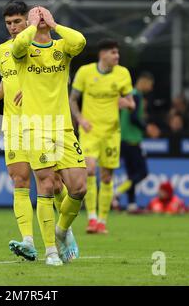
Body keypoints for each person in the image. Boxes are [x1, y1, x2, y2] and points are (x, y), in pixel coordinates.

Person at [0, 1, 77, 262]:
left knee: (54, 183)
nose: (12, 27)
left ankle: (64, 231)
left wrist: (34, 87)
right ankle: (28, 241)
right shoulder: (3, 49)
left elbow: (54, 76)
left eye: (17, 22)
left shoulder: (43, 48)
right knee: (19, 180)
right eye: (8, 23)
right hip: (14, 124)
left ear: (29, 21)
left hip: (44, 121)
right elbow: (8, 75)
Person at [11, 6, 87, 265]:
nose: (40, 18)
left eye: (43, 15)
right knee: (45, 185)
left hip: (63, 128)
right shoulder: (23, 50)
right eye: (35, 15)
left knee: (78, 188)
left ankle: (61, 230)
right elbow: (19, 44)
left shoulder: (61, 48)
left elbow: (80, 41)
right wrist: (32, 25)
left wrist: (54, 25)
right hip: (35, 128)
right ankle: (51, 251)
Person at [69, 38, 135, 234]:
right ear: (103, 54)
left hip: (111, 132)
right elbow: (73, 99)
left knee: (106, 176)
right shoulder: (85, 72)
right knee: (89, 169)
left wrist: (128, 104)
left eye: (117, 53)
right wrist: (80, 119)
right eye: (113, 53)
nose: (117, 56)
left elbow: (132, 103)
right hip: (90, 131)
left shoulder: (123, 74)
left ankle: (102, 221)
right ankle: (91, 218)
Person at [116, 72, 155, 213]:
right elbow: (133, 118)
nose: (151, 88)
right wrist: (147, 128)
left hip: (123, 139)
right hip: (132, 140)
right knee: (142, 172)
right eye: (150, 84)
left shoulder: (129, 94)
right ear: (144, 82)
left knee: (131, 174)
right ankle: (118, 191)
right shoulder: (137, 95)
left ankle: (132, 205)